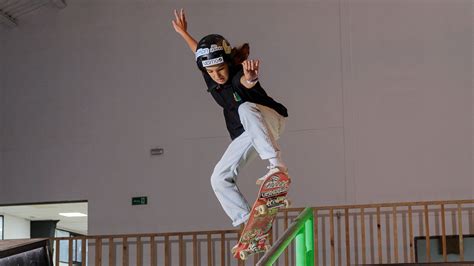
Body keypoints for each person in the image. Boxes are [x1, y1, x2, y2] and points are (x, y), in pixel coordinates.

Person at [172, 9, 289, 227]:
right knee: (218, 178)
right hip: (248, 135)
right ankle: (249, 220)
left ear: (228, 63)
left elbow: (246, 81)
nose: (216, 75)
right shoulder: (211, 75)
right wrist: (183, 33)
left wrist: (251, 78)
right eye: (210, 72)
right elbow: (197, 52)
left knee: (244, 108)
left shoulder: (236, 75)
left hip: (270, 121)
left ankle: (276, 166)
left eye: (220, 69)